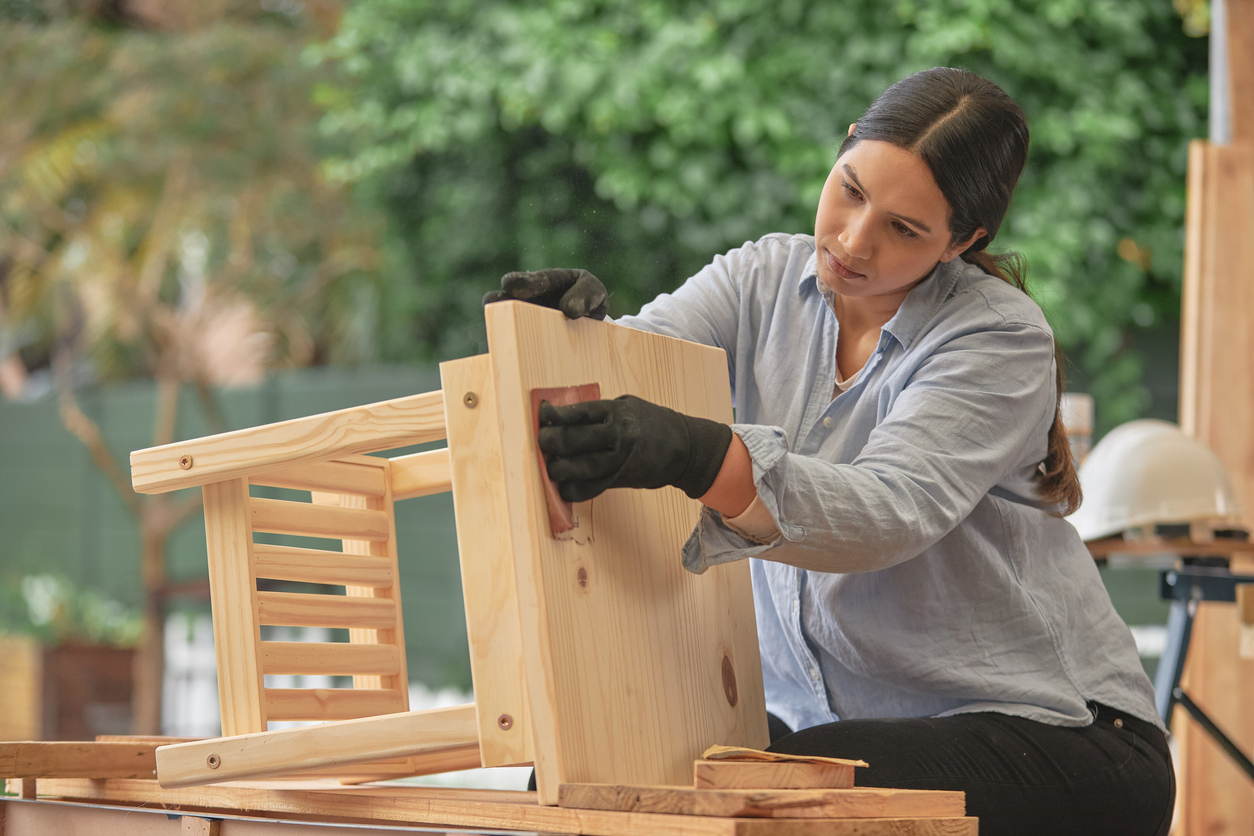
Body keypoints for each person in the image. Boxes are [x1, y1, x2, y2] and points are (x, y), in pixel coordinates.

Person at [486, 67, 1174, 836]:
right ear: (846, 146)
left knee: (796, 788)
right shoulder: (759, 279)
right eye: (850, 190)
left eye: (904, 230)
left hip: (1065, 741)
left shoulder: (997, 336)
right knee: (590, 774)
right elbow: (638, 373)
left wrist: (699, 455)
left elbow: (886, 512)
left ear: (964, 241)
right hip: (825, 733)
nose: (852, 240)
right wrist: (561, 336)